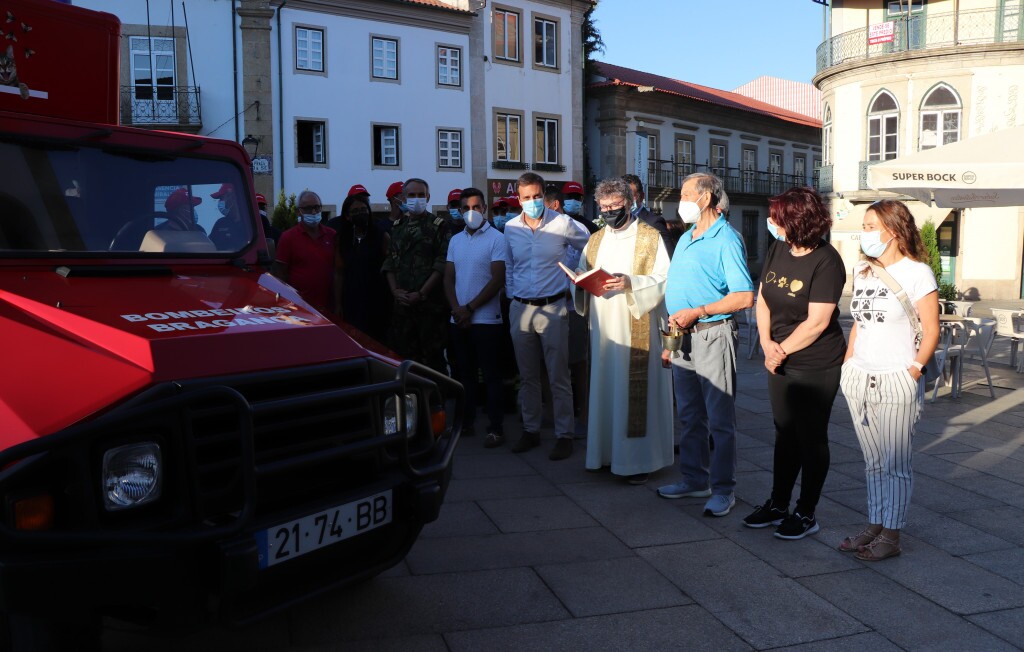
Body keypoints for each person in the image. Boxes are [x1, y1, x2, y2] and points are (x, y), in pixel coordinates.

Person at [742, 187, 846, 540]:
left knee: (810, 438)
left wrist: (779, 350)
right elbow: (763, 300)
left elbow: (817, 322)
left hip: (816, 362)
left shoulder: (827, 260)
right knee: (784, 433)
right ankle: (778, 503)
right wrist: (766, 341)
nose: (771, 223)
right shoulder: (778, 248)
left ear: (795, 221)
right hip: (780, 357)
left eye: (776, 218)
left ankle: (806, 511)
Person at [838, 199, 940, 561]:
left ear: (893, 231)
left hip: (897, 378)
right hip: (860, 377)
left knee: (896, 464)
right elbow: (859, 324)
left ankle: (892, 534)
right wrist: (849, 364)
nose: (863, 233)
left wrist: (913, 372)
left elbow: (931, 331)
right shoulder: (862, 271)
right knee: (873, 462)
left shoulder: (918, 273)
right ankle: (875, 524)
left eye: (869, 227)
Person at [657, 172, 754, 517]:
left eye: (686, 194)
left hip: (713, 333)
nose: (680, 201)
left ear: (707, 197)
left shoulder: (726, 239)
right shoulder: (686, 238)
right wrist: (670, 340)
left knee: (719, 419)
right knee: (689, 415)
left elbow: (744, 296)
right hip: (683, 337)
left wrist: (698, 311)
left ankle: (724, 489)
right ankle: (694, 479)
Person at [573, 177, 672, 484]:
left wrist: (632, 283)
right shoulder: (596, 239)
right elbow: (583, 268)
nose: (610, 211)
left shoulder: (650, 237)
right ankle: (605, 454)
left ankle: (637, 462)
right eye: (604, 207)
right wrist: (579, 278)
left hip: (636, 324)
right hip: (603, 328)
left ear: (629, 204)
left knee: (632, 391)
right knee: (606, 389)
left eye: (616, 206)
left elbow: (665, 279)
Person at [504, 172, 589, 461]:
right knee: (527, 375)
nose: (532, 202)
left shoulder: (563, 223)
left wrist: (573, 282)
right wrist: (513, 296)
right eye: (526, 198)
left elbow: (589, 250)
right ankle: (531, 430)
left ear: (544, 196)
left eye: (537, 196)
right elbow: (510, 266)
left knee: (558, 375)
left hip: (553, 308)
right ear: (519, 199)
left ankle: (564, 434)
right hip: (521, 307)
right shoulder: (510, 227)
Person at [444, 187, 507, 445]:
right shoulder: (455, 240)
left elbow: (497, 279)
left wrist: (469, 309)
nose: (472, 212)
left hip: (487, 320)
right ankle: (465, 423)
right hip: (459, 320)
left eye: (476, 207)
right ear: (460, 212)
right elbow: (449, 278)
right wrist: (457, 309)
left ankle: (496, 428)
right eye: (466, 208)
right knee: (464, 376)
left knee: (491, 375)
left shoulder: (496, 239)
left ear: (484, 208)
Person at [382, 178, 451, 373]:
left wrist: (421, 293)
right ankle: (412, 402)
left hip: (430, 307)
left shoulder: (439, 226)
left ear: (428, 197)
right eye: (411, 195)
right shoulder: (397, 227)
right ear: (403, 198)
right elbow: (389, 262)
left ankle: (437, 402)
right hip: (402, 308)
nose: (416, 199)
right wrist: (394, 291)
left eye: (421, 195)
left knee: (434, 361)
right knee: (406, 361)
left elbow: (442, 263)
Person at [333, 194, 391, 343]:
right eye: (356, 211)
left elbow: (391, 267)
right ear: (347, 216)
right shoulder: (342, 238)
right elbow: (339, 272)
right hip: (351, 298)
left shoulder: (381, 235)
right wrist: (338, 303)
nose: (361, 213)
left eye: (364, 209)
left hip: (377, 298)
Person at [273, 190, 336, 314]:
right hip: (299, 309)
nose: (313, 212)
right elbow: (281, 276)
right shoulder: (288, 238)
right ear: (299, 211)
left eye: (316, 207)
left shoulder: (332, 235)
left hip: (328, 308)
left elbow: (338, 271)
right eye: (308, 208)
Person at [209, 183, 251, 249]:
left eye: (222, 198)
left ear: (232, 197)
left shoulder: (251, 223)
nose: (220, 202)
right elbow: (209, 247)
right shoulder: (220, 223)